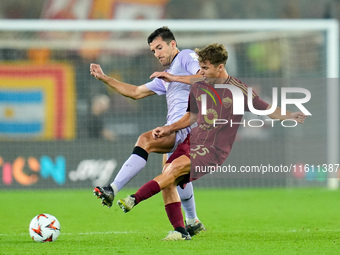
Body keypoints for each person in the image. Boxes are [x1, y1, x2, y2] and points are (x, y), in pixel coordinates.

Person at [116, 43, 307, 240]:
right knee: (168, 176)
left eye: (205, 68)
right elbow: (190, 117)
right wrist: (168, 128)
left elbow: (268, 110)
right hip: (192, 141)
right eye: (200, 67)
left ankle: (134, 199)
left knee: (173, 170)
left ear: (220, 67)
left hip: (214, 150)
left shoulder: (238, 91)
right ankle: (181, 231)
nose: (201, 72)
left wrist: (291, 115)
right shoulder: (199, 86)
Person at [90, 26, 205, 235]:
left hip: (189, 129)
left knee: (145, 140)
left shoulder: (186, 57)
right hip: (178, 130)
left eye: (159, 47)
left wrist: (174, 78)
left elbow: (204, 77)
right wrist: (105, 78)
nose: (157, 54)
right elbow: (135, 92)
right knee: (170, 179)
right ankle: (190, 223)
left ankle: (112, 188)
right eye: (153, 51)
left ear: (172, 44)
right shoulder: (166, 75)